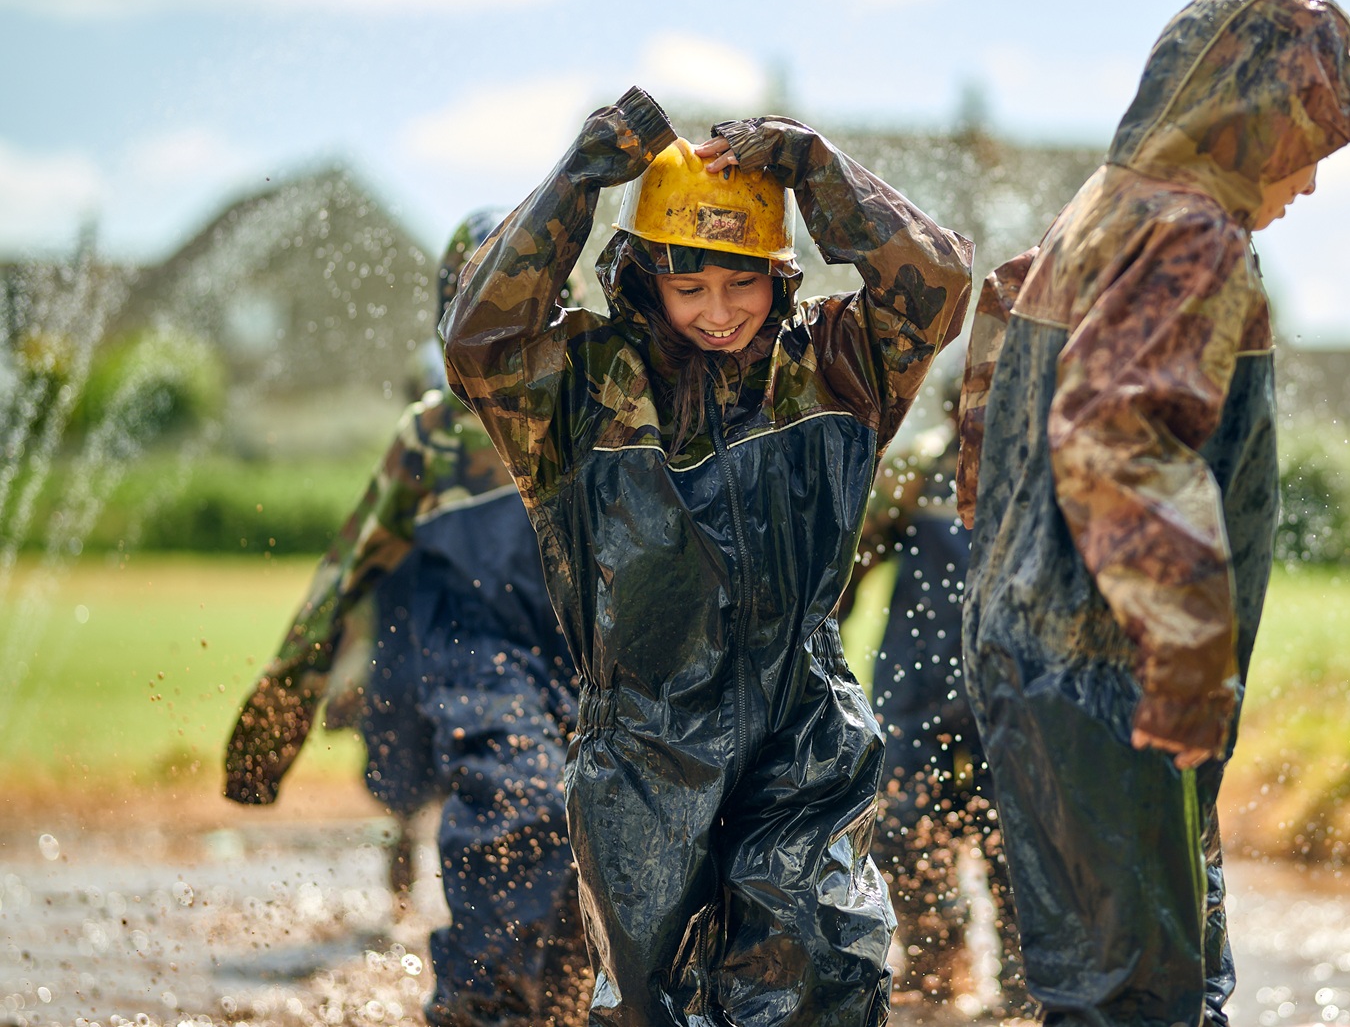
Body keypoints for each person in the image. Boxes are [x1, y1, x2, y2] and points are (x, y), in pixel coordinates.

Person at [440, 88, 972, 1027]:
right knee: (652, 1004)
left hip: (803, 725)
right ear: (644, 278)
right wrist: (582, 174)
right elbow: (480, 335)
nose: (719, 312)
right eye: (690, 288)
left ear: (782, 275)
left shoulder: (838, 368)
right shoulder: (579, 393)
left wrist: (815, 168)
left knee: (820, 970)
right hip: (644, 740)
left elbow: (934, 277)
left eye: (744, 282)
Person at [957, 0, 1350, 1026]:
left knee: (1117, 981)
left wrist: (1006, 571)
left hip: (1030, 654)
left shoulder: (1091, 217)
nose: (1311, 180)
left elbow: (987, 394)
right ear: (1252, 117)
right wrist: (1189, 668)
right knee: (1139, 998)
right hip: (1114, 672)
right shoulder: (1193, 233)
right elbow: (1118, 434)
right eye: (1311, 139)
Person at [224, 214, 590, 1027]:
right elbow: (344, 573)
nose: (503, 329)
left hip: (587, 665)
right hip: (476, 658)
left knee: (588, 860)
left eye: (525, 306)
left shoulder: (599, 414)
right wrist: (279, 714)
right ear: (446, 320)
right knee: (516, 801)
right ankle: (478, 1008)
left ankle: (561, 1002)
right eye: (478, 308)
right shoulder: (431, 436)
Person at [844, 396, 1027, 1015]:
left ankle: (1022, 995)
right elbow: (848, 571)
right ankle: (936, 980)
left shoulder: (1041, 473)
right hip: (913, 702)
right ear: (954, 411)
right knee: (901, 837)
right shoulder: (916, 471)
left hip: (1012, 707)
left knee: (1017, 851)